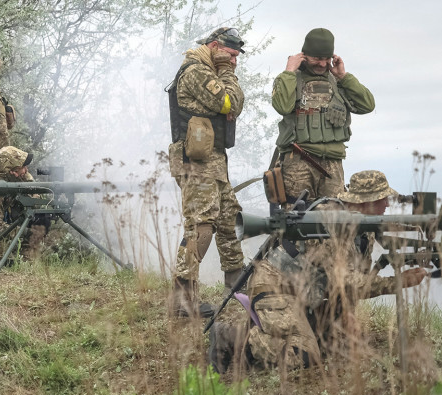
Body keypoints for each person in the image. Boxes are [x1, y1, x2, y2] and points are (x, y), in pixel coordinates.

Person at [220, 171, 426, 371]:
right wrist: (396, 282)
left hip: (306, 293)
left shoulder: (364, 229)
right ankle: (233, 338)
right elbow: (347, 281)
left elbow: (353, 280)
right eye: (382, 199)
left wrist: (346, 315)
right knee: (306, 354)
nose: (387, 204)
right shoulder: (331, 222)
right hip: (276, 289)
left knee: (335, 344)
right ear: (366, 202)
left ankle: (284, 330)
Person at [166, 26, 246, 318]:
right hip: (197, 162)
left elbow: (232, 104)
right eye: (230, 55)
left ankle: (236, 286)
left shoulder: (208, 71)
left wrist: (224, 73)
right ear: (214, 47)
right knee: (201, 226)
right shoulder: (196, 71)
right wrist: (226, 72)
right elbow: (231, 102)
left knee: (229, 220)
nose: (233, 61)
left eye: (236, 57)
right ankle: (182, 300)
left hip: (213, 162)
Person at [271, 28, 376, 203]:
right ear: (304, 56)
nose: (321, 64)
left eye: (326, 59)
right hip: (298, 160)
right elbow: (282, 107)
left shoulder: (338, 81)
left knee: (334, 214)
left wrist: (344, 76)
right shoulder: (289, 79)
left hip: (333, 163)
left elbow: (367, 105)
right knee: (297, 213)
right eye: (317, 59)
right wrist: (289, 71)